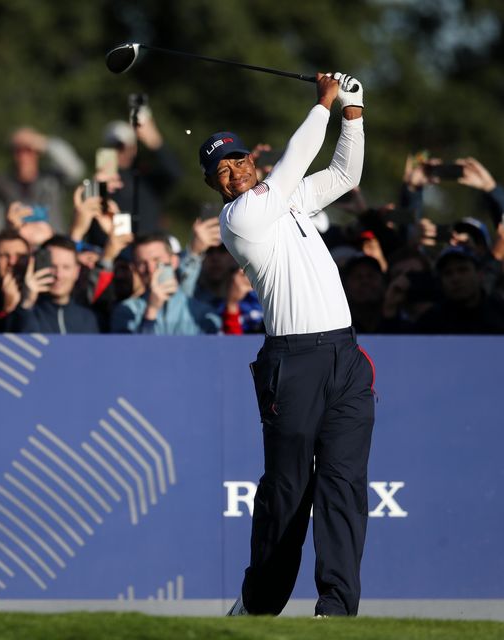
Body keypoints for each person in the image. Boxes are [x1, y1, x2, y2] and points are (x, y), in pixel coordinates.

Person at [205, 72, 373, 617]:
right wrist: (323, 103)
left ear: (253, 162)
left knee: (344, 485)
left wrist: (353, 111)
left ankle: (337, 609)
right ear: (217, 186)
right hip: (292, 363)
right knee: (287, 491)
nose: (233, 173)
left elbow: (346, 173)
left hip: (344, 358)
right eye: (221, 171)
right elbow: (295, 164)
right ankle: (259, 603)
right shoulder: (240, 217)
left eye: (238, 161)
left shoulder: (289, 198)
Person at [110, 233, 220, 335]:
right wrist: (151, 312)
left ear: (174, 261)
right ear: (135, 268)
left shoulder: (201, 312)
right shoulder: (126, 310)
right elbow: (131, 353)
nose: (151, 269)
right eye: (142, 263)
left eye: (157, 260)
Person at [8, 235, 99, 334]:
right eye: (52, 267)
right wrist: (26, 305)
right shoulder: (23, 313)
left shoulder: (88, 319)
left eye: (66, 267)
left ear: (77, 271)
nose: (59, 275)